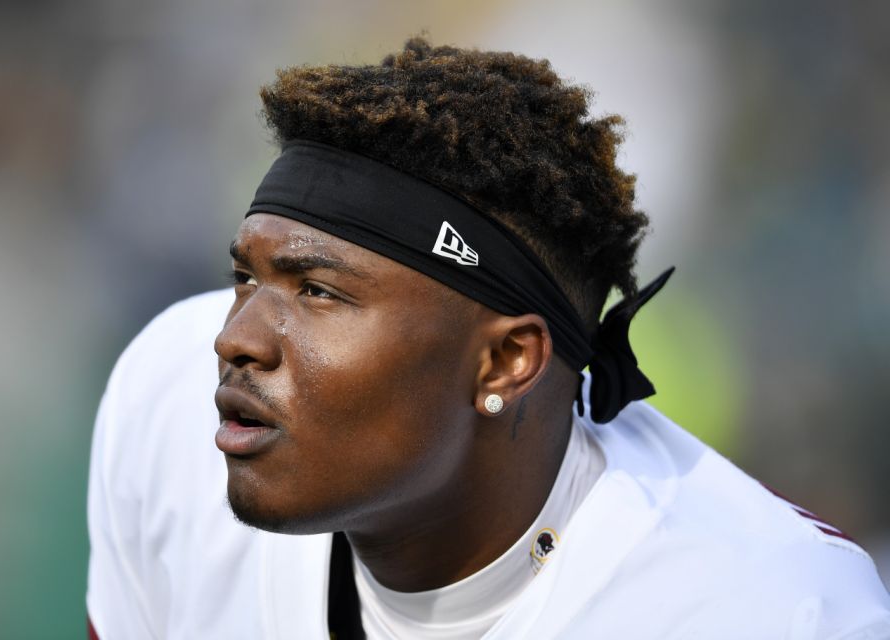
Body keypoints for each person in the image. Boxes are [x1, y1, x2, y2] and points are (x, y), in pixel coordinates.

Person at [86, 38, 890, 639]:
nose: (237, 339)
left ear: (507, 360)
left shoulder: (770, 609)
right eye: (246, 278)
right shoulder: (168, 404)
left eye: (319, 291)